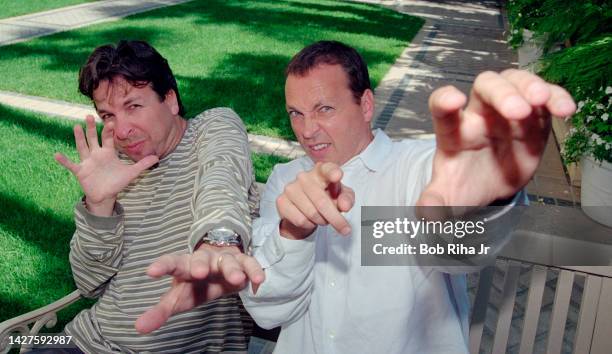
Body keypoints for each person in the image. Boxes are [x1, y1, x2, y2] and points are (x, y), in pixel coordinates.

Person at [138, 41, 576, 353]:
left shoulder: (417, 166)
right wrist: (294, 232)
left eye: (324, 109)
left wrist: (487, 199)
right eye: (296, 113)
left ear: (366, 105)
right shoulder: (287, 180)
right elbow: (269, 311)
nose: (307, 130)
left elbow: (456, 251)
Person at [52, 40, 262, 353]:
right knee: (24, 343)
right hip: (83, 341)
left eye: (133, 106)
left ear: (171, 100)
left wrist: (219, 242)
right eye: (108, 115)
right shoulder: (113, 169)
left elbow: (221, 181)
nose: (121, 130)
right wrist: (99, 207)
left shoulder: (211, 130)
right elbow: (88, 284)